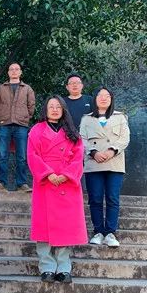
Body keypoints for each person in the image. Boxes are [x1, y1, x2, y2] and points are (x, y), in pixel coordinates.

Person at [27, 96, 87, 283]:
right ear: (45, 110)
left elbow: (78, 157)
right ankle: (46, 266)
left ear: (63, 110)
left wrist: (67, 174)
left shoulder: (72, 132)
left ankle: (63, 267)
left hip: (66, 183)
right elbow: (32, 155)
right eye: (51, 106)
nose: (54, 109)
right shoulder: (36, 130)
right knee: (43, 226)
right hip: (45, 182)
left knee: (64, 227)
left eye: (58, 106)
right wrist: (47, 174)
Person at [80, 87, 130, 248]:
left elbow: (125, 138)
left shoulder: (120, 117)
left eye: (107, 95)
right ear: (94, 99)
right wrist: (93, 152)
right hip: (93, 162)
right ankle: (98, 231)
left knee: (112, 198)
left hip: (114, 163)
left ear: (111, 99)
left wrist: (111, 151)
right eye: (100, 95)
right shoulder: (86, 119)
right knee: (95, 198)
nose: (103, 98)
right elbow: (82, 139)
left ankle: (110, 233)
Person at [0, 62, 36, 192]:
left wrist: (25, 117)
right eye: (11, 69)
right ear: (8, 72)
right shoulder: (1, 88)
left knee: (21, 156)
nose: (14, 71)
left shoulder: (27, 89)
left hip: (21, 125)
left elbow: (31, 106)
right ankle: (1, 183)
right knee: (2, 155)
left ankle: (21, 184)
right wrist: (0, 117)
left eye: (17, 69)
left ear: (20, 72)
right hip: (4, 124)